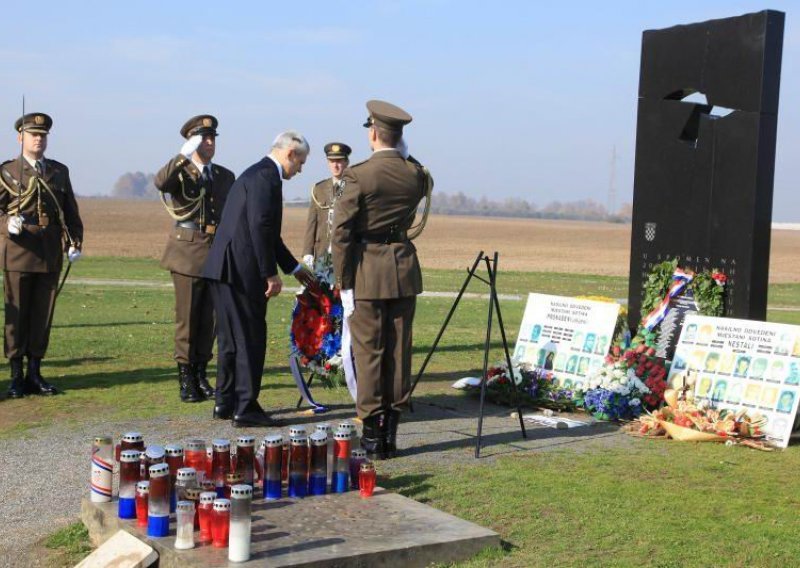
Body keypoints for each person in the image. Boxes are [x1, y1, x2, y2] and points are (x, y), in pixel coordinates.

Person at [332, 100, 431, 459]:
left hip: (366, 271)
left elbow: (341, 234)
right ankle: (391, 436)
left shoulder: (359, 176)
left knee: (369, 352)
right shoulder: (416, 175)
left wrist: (343, 282)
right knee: (398, 351)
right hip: (402, 269)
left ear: (372, 132)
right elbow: (418, 178)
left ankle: (372, 438)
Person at [202, 132, 316, 427]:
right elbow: (261, 228)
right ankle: (246, 406)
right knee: (249, 338)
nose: (300, 169)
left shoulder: (253, 173)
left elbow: (265, 232)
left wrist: (293, 268)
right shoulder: (268, 178)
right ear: (290, 153)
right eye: (301, 162)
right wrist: (270, 273)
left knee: (229, 339)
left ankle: (225, 401)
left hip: (222, 268)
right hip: (243, 271)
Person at [1, 113, 83, 398]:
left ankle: (35, 372)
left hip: (49, 251)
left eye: (43, 135)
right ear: (20, 137)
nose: (39, 139)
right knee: (18, 312)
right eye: (33, 134)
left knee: (42, 315)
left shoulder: (58, 172)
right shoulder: (8, 171)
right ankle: (15, 375)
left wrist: (75, 242)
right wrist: (6, 223)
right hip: (19, 250)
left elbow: (70, 212)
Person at [154, 115, 235, 404]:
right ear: (192, 141)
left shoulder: (225, 176)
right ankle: (185, 377)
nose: (210, 143)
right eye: (203, 139)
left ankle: (201, 373)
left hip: (215, 252)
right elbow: (161, 183)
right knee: (187, 319)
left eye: (213, 138)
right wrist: (182, 155)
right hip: (187, 252)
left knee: (209, 320)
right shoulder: (181, 172)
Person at [301, 142, 357, 401]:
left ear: (347, 162)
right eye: (333, 161)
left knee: (345, 311)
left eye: (341, 160)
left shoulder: (356, 186)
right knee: (323, 309)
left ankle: (346, 361)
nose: (337, 165)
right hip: (323, 258)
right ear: (327, 162)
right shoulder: (319, 189)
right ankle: (324, 358)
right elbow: (312, 222)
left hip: (346, 259)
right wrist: (308, 252)